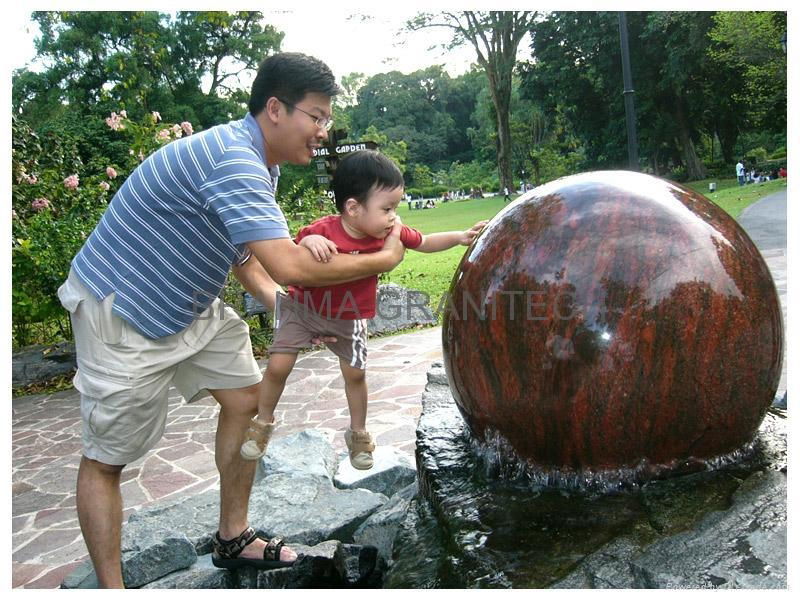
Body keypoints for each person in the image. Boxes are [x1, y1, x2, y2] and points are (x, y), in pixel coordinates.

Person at [56, 53, 407, 588]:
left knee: (247, 399)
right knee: (108, 460)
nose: (322, 131)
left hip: (188, 307)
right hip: (121, 309)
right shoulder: (235, 161)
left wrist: (279, 303)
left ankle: (234, 536)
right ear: (275, 108)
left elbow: (245, 254)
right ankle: (112, 590)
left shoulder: (254, 161)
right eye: (315, 116)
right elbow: (292, 264)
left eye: (325, 119)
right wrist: (384, 258)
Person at [239, 150, 486, 469]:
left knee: (355, 375)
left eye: (396, 208)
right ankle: (263, 422)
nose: (394, 217)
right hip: (304, 308)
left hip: (349, 316)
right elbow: (295, 249)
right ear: (353, 208)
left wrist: (459, 237)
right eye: (387, 208)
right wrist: (309, 241)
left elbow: (424, 241)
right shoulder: (325, 230)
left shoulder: (390, 233)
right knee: (277, 367)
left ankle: (358, 435)